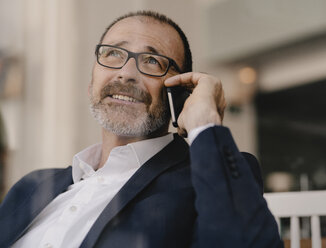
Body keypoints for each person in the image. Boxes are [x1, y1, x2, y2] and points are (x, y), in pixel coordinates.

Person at [0, 10, 283, 248]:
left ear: (182, 92)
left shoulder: (208, 175)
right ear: (91, 84)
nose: (126, 72)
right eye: (112, 53)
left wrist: (204, 123)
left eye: (152, 61)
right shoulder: (34, 185)